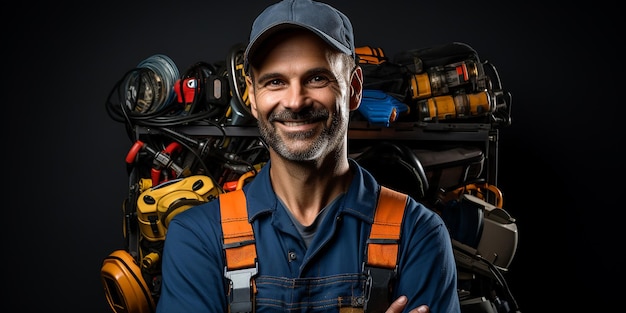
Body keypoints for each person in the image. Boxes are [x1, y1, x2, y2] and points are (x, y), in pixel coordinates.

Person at [156, 0, 461, 312]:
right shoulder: (199, 238)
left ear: (354, 88)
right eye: (275, 81)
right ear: (251, 96)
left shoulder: (418, 235)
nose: (295, 101)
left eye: (317, 78)